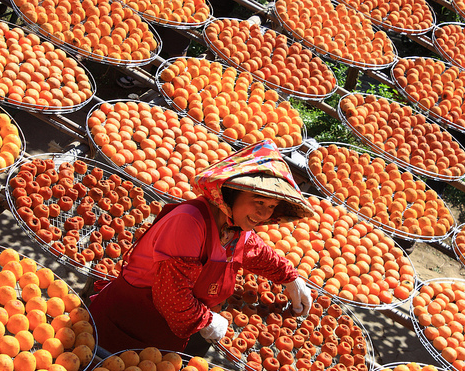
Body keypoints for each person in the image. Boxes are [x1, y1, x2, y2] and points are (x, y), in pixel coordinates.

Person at [88, 140, 315, 354]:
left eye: (272, 206)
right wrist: (207, 321)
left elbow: (257, 253)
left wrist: (290, 279)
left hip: (160, 341)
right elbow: (173, 297)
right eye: (259, 201)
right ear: (233, 193)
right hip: (122, 326)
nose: (264, 213)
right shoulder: (189, 223)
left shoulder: (235, 228)